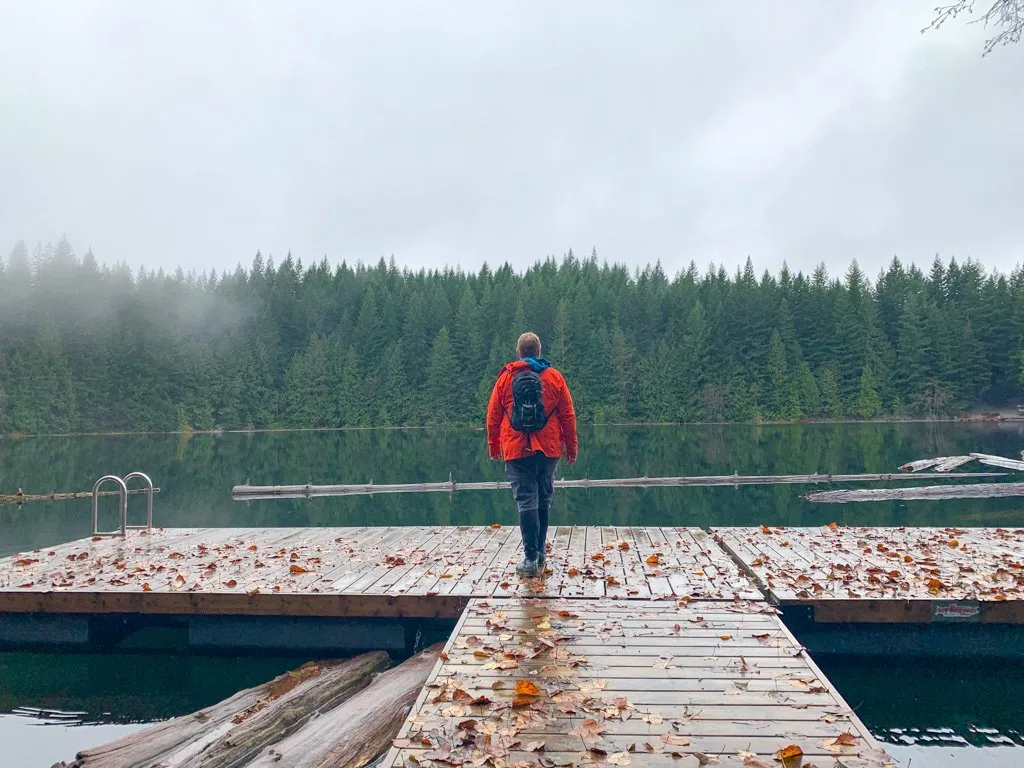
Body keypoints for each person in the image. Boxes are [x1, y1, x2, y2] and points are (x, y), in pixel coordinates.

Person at [486, 331, 578, 577]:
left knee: (526, 499)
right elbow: (568, 415)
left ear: (519, 352)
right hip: (548, 448)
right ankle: (540, 554)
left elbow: (493, 416)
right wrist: (571, 446)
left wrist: (494, 446)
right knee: (543, 499)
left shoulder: (506, 378)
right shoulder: (554, 377)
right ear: (539, 351)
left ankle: (529, 558)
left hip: (516, 448)